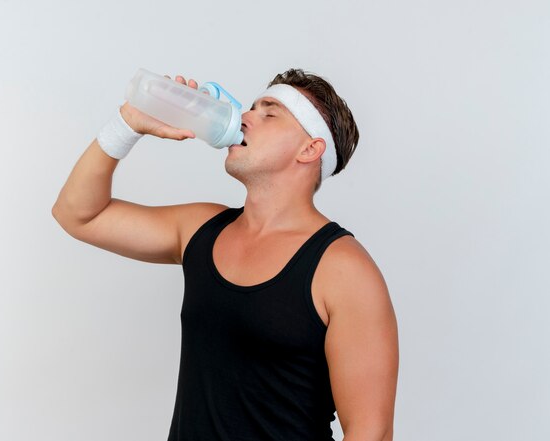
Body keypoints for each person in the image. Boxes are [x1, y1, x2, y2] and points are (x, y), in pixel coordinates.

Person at [52, 68, 399, 441]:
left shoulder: (342, 268)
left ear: (310, 149)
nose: (246, 117)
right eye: (251, 108)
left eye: (269, 113)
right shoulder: (201, 228)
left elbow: (371, 432)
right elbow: (78, 214)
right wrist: (129, 123)